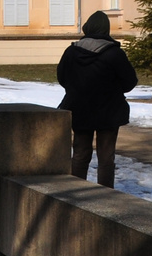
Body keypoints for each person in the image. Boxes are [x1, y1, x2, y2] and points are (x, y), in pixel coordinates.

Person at [57, 11, 138, 188]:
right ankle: (105, 195)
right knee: (106, 156)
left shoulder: (71, 51)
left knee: (80, 153)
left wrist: (77, 90)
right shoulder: (115, 54)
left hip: (80, 109)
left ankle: (75, 192)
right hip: (109, 111)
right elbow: (130, 82)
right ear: (106, 29)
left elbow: (62, 77)